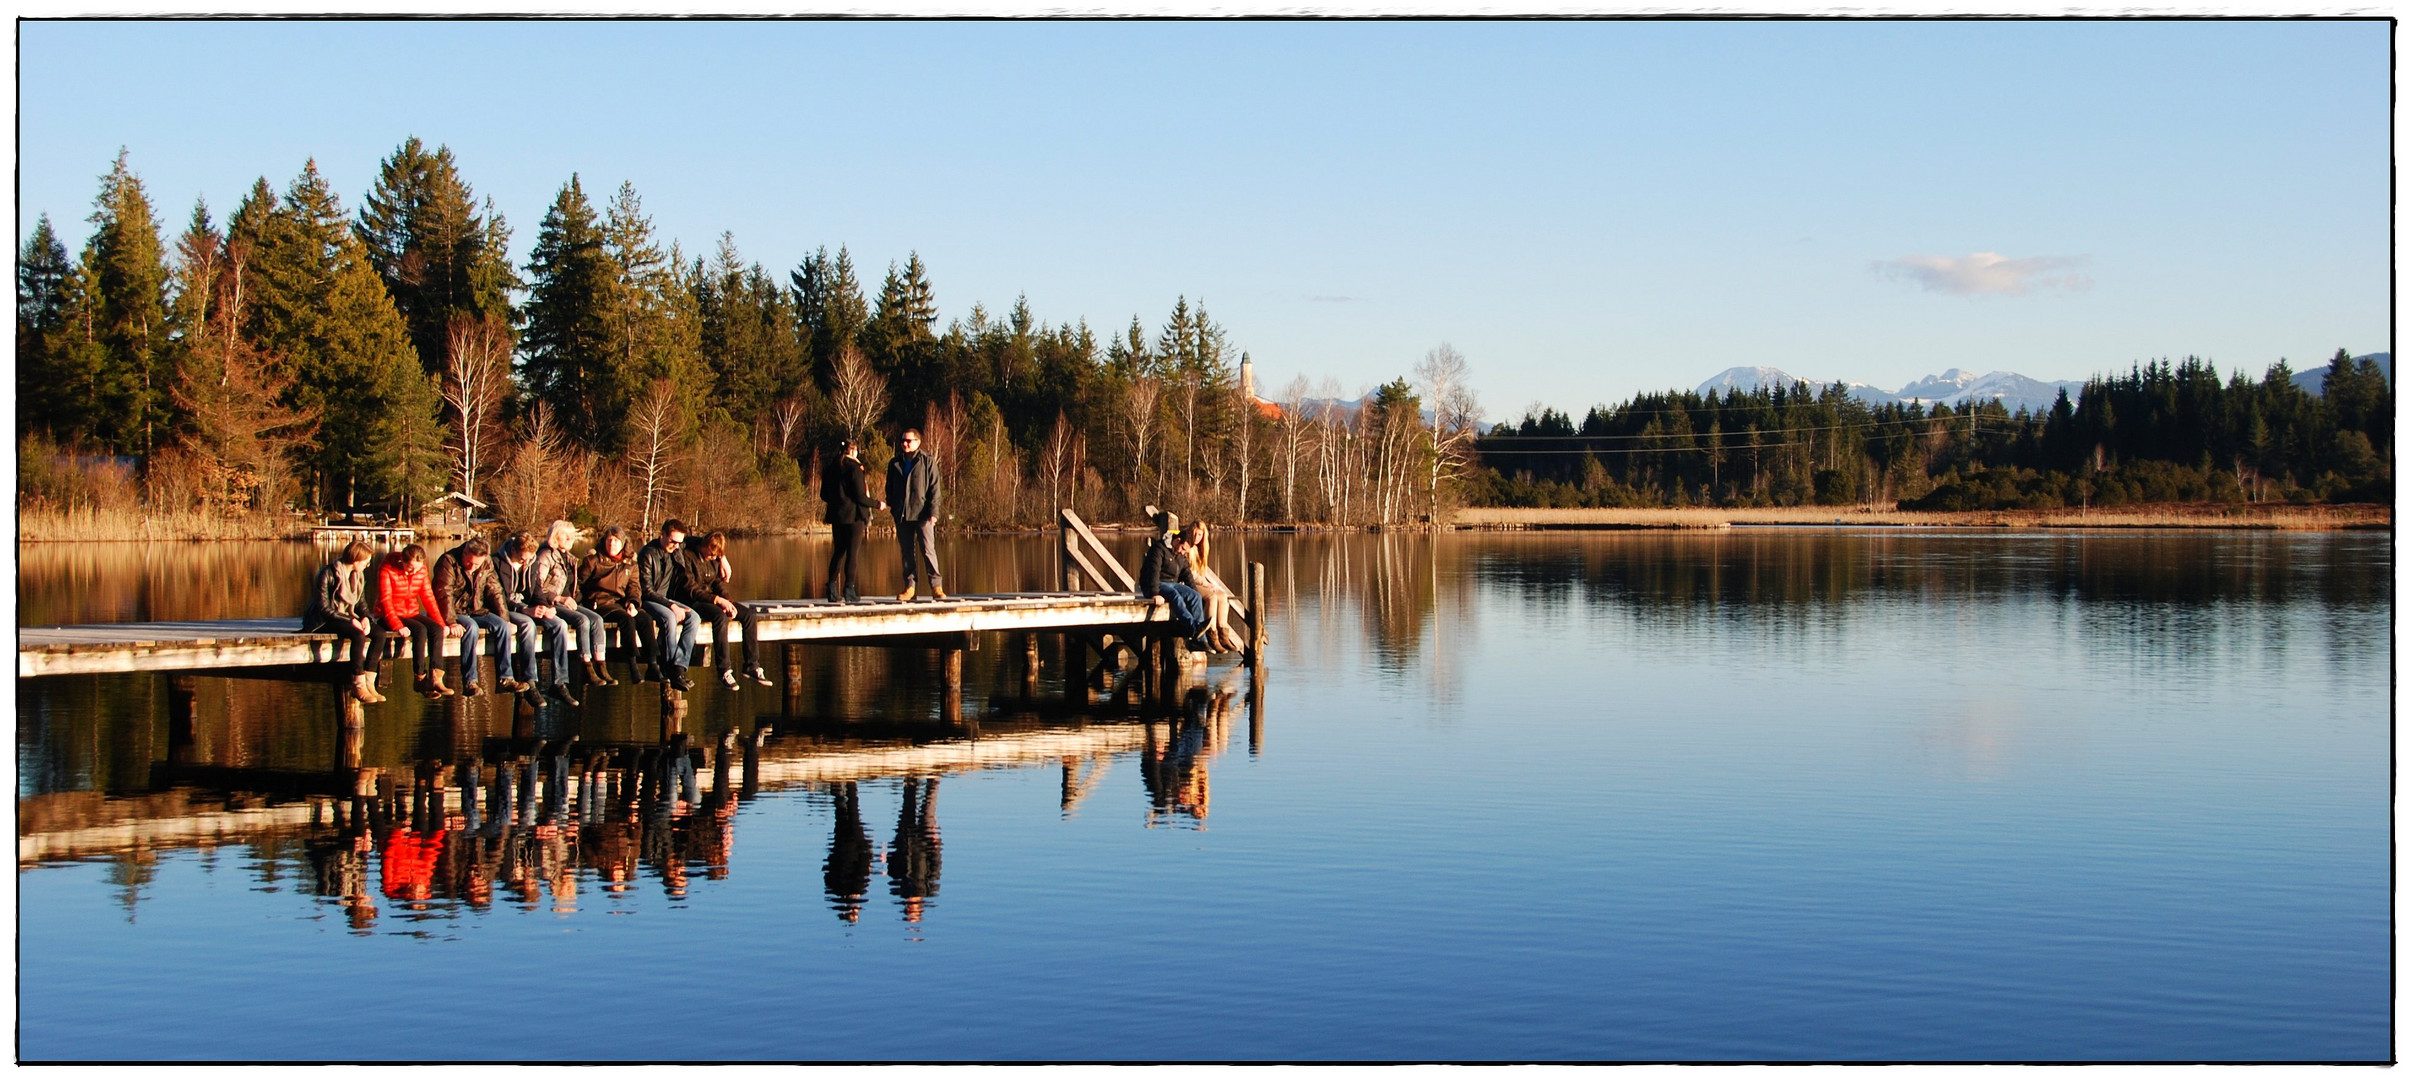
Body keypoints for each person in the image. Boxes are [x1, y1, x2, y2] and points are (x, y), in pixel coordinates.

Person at [433, 537, 528, 696]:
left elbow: (495, 590)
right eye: (469, 562)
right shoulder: (448, 561)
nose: (472, 567)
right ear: (464, 552)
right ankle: (470, 681)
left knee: (503, 626)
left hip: (476, 609)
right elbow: (444, 594)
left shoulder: (486, 562)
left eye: (476, 565)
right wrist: (450, 622)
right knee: (471, 628)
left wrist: (505, 619)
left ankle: (505, 679)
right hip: (453, 611)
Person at [678, 530, 772, 689]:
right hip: (693, 601)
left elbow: (716, 583)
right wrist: (717, 600)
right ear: (704, 545)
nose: (713, 557)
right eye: (712, 554)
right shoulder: (687, 556)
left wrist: (728, 601)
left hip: (713, 598)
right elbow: (690, 588)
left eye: (717, 556)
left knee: (749, 616)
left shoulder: (714, 560)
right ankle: (724, 670)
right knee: (719, 617)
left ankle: (752, 665)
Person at [498, 533, 579, 706]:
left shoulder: (532, 561)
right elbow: (499, 598)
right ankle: (531, 682)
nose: (526, 563)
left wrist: (545, 607)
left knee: (560, 625)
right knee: (527, 626)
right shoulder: (498, 563)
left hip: (529, 606)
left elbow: (536, 590)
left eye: (529, 559)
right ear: (513, 550)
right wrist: (525, 610)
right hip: (508, 608)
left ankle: (560, 682)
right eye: (522, 559)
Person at [307, 541, 389, 703]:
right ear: (356, 559)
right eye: (366, 561)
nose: (367, 565)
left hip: (346, 617)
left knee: (380, 633)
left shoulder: (357, 576)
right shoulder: (328, 573)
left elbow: (361, 604)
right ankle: (357, 685)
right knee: (358, 635)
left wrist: (365, 617)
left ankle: (369, 683)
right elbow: (324, 609)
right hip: (324, 620)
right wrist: (352, 621)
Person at [538, 520, 614, 687]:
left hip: (569, 602)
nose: (570, 539)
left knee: (597, 620)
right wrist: (558, 598)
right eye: (566, 535)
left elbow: (576, 586)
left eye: (572, 536)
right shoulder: (546, 555)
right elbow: (537, 587)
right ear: (555, 536)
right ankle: (586, 666)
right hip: (552, 602)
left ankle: (601, 665)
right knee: (582, 621)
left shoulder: (570, 559)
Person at [375, 543, 454, 697]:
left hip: (410, 612)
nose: (414, 572)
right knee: (420, 630)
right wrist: (396, 625)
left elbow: (428, 597)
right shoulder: (387, 568)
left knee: (436, 629)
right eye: (410, 568)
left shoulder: (421, 570)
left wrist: (441, 622)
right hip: (388, 614)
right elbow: (385, 600)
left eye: (417, 568)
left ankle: (436, 677)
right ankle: (419, 677)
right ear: (402, 561)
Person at [637, 519, 704, 691]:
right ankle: (669, 668)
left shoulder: (677, 547)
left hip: (667, 599)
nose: (676, 545)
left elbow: (699, 541)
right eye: (672, 541)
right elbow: (646, 590)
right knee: (669, 618)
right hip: (648, 600)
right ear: (662, 535)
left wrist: (722, 557)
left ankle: (679, 667)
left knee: (694, 618)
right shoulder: (647, 554)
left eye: (679, 542)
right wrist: (671, 606)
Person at [579, 525, 651, 684]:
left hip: (620, 602)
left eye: (616, 542)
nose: (612, 545)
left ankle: (652, 663)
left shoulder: (629, 564)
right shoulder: (594, 561)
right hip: (600, 603)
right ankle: (632, 666)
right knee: (626, 620)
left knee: (644, 618)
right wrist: (584, 603)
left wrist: (633, 602)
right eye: (609, 541)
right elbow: (579, 584)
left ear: (623, 544)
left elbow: (634, 587)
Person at [819, 437, 884, 602]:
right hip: (854, 516)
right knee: (852, 553)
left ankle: (832, 588)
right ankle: (849, 589)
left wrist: (838, 500)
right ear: (853, 451)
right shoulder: (854, 468)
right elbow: (860, 497)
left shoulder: (830, 468)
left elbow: (823, 495)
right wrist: (877, 504)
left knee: (838, 552)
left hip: (836, 515)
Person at [886, 427, 945, 602]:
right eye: (903, 440)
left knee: (928, 551)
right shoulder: (895, 462)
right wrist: (893, 505)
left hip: (923, 514)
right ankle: (910, 587)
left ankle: (936, 587)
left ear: (918, 442)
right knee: (906, 552)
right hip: (902, 514)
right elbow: (889, 486)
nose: (905, 443)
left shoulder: (927, 461)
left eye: (909, 440)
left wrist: (934, 512)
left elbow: (935, 488)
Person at [1135, 507, 1207, 641]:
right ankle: (1193, 627)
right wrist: (1155, 593)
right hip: (1154, 584)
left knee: (1195, 596)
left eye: (1186, 551)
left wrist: (1197, 594)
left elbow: (1188, 576)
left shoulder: (1181, 555)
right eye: (1183, 549)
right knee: (1175, 596)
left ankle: (1200, 642)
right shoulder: (1159, 548)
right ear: (1177, 540)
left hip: (1171, 584)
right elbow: (1153, 573)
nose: (1183, 552)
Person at [1180, 523, 1244, 652]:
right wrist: (1206, 584)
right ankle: (1211, 634)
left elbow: (1200, 572)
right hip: (1186, 583)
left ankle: (1223, 633)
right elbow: (1190, 574)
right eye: (1196, 534)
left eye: (1200, 535)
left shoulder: (1200, 550)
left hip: (1199, 582)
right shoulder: (1186, 547)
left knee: (1222, 596)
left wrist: (1207, 584)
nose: (1197, 537)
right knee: (1212, 597)